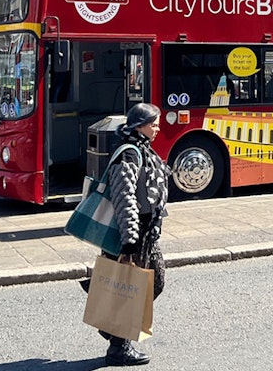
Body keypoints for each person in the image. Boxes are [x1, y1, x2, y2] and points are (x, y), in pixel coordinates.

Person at [92, 102, 170, 367]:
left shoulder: (142, 149)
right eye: (154, 124)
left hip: (145, 234)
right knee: (135, 287)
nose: (158, 128)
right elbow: (125, 199)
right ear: (140, 126)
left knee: (149, 283)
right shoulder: (129, 154)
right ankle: (118, 345)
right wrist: (129, 242)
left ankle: (113, 329)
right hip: (133, 235)